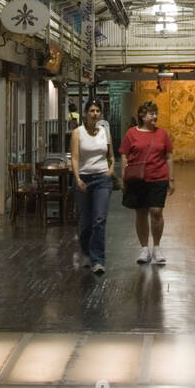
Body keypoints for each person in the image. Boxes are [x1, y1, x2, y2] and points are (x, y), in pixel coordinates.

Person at [118, 101, 174, 265]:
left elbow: (169, 156)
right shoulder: (131, 134)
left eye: (156, 113)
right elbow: (124, 156)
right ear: (142, 116)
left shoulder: (162, 134)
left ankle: (157, 247)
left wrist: (171, 179)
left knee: (156, 212)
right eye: (151, 114)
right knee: (141, 213)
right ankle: (144, 248)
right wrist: (124, 177)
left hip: (158, 178)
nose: (155, 116)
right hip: (137, 179)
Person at [70, 98, 115, 275]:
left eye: (97, 111)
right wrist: (77, 177)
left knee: (99, 219)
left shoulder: (105, 131)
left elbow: (111, 155)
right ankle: (86, 252)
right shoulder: (77, 133)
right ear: (85, 113)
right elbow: (74, 157)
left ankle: (98, 260)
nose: (95, 114)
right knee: (85, 222)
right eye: (92, 110)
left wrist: (111, 170)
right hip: (84, 178)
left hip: (102, 179)